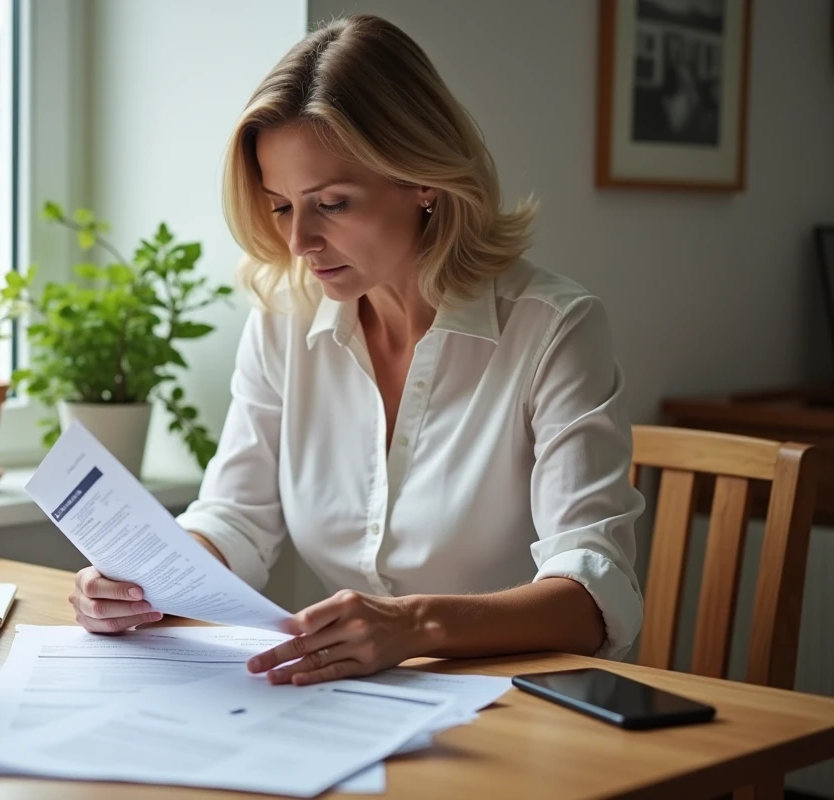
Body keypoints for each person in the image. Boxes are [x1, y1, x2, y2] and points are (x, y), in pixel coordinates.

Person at [68, 13, 645, 686]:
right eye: (282, 206)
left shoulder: (553, 329)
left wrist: (415, 625)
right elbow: (237, 519)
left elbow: (595, 595)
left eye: (333, 204)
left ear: (423, 181)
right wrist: (145, 581)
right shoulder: (286, 318)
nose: (299, 243)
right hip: (352, 705)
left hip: (520, 711)